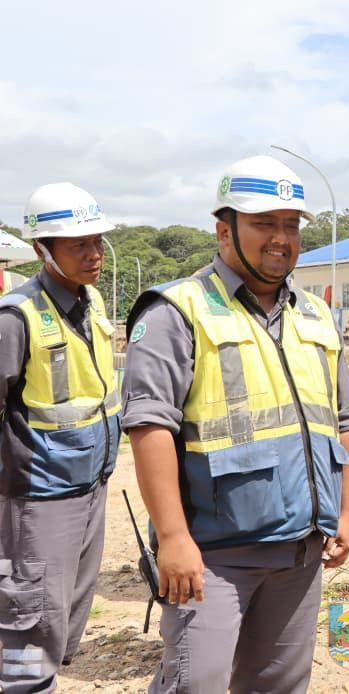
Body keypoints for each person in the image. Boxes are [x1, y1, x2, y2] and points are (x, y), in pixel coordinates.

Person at [121, 155, 349, 693]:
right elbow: (149, 427)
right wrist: (173, 538)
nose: (282, 238)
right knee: (195, 684)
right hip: (213, 555)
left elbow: (344, 421)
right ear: (224, 230)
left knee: (278, 687)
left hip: (300, 550)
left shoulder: (316, 317)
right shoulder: (176, 311)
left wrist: (346, 511)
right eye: (264, 224)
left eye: (291, 225)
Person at [0, 183, 121, 692]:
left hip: (91, 485)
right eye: (79, 245)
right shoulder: (16, 317)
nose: (94, 254)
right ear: (41, 250)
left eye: (96, 241)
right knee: (32, 616)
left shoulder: (88, 302)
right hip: (39, 496)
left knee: (66, 611)